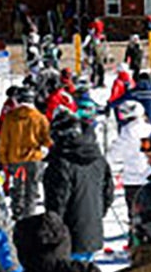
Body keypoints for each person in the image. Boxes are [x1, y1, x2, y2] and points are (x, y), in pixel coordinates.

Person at [40, 109, 112, 261]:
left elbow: (57, 202)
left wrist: (53, 231)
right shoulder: (97, 158)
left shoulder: (61, 163)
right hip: (92, 229)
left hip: (68, 234)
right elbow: (108, 193)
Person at [0, 88, 50, 218]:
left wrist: (3, 160)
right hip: (34, 159)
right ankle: (30, 216)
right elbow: (47, 140)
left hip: (15, 159)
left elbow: (4, 141)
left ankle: (17, 214)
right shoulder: (40, 117)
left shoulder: (10, 117)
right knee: (32, 189)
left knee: (18, 187)